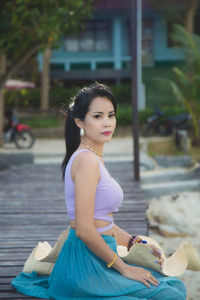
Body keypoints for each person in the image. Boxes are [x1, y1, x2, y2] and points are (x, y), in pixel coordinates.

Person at [11, 82, 186, 299]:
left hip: (99, 255)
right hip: (85, 263)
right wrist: (124, 268)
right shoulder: (86, 160)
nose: (107, 123)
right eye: (97, 116)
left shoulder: (91, 156)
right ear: (79, 121)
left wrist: (134, 242)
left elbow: (102, 220)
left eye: (111, 115)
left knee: (170, 286)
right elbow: (84, 230)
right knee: (170, 293)